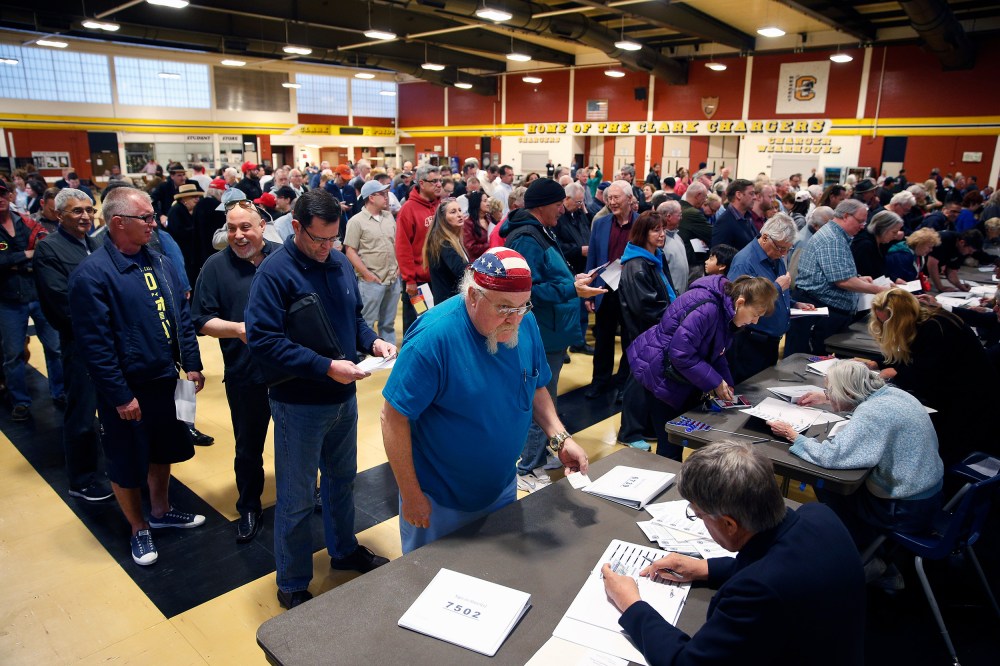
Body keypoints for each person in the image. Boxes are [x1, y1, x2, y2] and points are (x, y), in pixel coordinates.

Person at [381, 249, 590, 552]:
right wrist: (411, 494)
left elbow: (535, 386)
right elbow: (392, 417)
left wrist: (560, 438)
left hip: (501, 487)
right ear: (473, 296)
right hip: (439, 499)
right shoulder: (433, 338)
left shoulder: (525, 322)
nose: (514, 319)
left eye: (523, 306)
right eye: (504, 307)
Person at [245, 189, 394, 610]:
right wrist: (325, 366)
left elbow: (353, 318)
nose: (327, 247)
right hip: (299, 403)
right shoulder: (275, 273)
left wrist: (373, 341)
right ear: (296, 227)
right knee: (296, 497)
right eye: (319, 239)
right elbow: (263, 340)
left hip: (343, 397)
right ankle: (292, 581)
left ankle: (343, 550)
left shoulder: (339, 263)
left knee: (342, 481)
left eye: (334, 239)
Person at [601, 441, 865, 666]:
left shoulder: (756, 593)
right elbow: (785, 563)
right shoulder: (819, 515)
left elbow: (686, 662)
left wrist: (631, 604)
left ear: (729, 524)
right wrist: (705, 568)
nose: (701, 521)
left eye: (699, 516)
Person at [68, 186, 206, 566]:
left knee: (164, 450)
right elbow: (94, 346)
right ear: (118, 223)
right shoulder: (92, 275)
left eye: (152, 215)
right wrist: (119, 395)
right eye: (144, 217)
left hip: (165, 379)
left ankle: (160, 511)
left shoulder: (159, 261)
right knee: (127, 461)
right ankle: (138, 527)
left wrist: (192, 362)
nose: (153, 223)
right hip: (128, 389)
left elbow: (180, 316)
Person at [768, 360, 944, 574]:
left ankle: (863, 557)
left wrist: (793, 436)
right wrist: (826, 398)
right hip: (927, 495)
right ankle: (866, 547)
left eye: (830, 391)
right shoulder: (894, 394)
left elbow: (832, 456)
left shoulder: (872, 413)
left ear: (848, 392)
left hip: (905, 509)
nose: (828, 395)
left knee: (827, 483)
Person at [503, 178, 606, 490]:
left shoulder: (541, 231)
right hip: (541, 333)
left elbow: (548, 275)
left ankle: (543, 454)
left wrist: (573, 279)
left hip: (552, 331)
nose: (563, 210)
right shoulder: (526, 238)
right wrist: (570, 288)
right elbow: (526, 289)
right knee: (541, 399)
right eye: (559, 204)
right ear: (543, 206)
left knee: (548, 397)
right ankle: (527, 468)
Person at [191, 201, 280, 544]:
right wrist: (238, 329)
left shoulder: (282, 258)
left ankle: (305, 493)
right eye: (231, 228)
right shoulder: (215, 267)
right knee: (248, 448)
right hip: (246, 375)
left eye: (245, 227)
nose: (238, 235)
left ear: (262, 226)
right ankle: (249, 506)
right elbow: (201, 319)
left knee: (297, 441)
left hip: (290, 372)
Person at [628, 275, 778, 460]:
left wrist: (726, 382)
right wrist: (715, 382)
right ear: (740, 302)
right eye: (755, 315)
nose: (755, 321)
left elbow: (717, 351)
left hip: (676, 374)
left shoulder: (725, 311)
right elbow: (681, 354)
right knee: (670, 444)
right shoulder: (708, 308)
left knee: (679, 441)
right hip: (660, 375)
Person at [32, 188, 112, 502]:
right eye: (77, 211)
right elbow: (61, 302)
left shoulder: (96, 244)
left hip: (108, 341)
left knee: (111, 409)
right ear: (59, 214)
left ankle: (111, 469)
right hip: (80, 343)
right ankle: (82, 480)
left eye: (89, 210)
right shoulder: (49, 249)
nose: (85, 216)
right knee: (82, 414)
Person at [868, 289, 997, 466]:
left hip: (969, 406)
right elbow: (912, 356)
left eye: (887, 322)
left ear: (899, 318)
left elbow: (923, 372)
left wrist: (893, 373)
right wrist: (877, 363)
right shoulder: (925, 321)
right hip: (957, 398)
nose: (884, 326)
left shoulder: (936, 328)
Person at [784, 199, 890, 356]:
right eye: (860, 221)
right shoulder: (832, 239)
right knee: (808, 359)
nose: (863, 226)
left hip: (823, 309)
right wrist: (880, 290)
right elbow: (842, 281)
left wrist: (858, 279)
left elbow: (835, 272)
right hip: (818, 311)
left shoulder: (837, 235)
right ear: (846, 216)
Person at [0, 180, 65, 422]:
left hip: (37, 294)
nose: (0, 199)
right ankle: (20, 401)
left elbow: (43, 251)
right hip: (8, 299)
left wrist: (14, 261)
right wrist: (25, 255)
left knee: (55, 348)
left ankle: (60, 391)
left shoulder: (26, 222)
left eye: (3, 193)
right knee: (13, 354)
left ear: (10, 195)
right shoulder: (28, 222)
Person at [726, 215, 816, 383]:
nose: (783, 254)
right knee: (750, 389)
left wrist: (794, 304)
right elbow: (738, 303)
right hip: (750, 342)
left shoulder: (775, 257)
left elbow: (777, 296)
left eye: (787, 249)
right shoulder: (744, 261)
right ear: (765, 237)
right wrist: (777, 287)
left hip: (770, 342)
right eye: (781, 248)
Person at [617, 210, 676, 450]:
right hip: (644, 332)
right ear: (643, 233)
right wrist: (674, 318)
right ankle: (630, 433)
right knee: (638, 382)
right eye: (655, 230)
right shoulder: (637, 265)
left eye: (663, 229)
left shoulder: (654, 258)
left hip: (657, 330)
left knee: (650, 381)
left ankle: (646, 426)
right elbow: (645, 307)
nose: (662, 234)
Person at [584, 180, 637, 400]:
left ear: (629, 199)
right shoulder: (600, 223)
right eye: (609, 198)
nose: (612, 202)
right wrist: (588, 289)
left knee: (630, 340)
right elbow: (593, 257)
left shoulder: (641, 223)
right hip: (605, 288)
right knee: (603, 340)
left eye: (616, 198)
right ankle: (600, 382)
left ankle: (625, 384)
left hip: (632, 291)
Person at [343, 180, 401, 346]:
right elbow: (350, 251)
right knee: (367, 322)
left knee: (388, 323)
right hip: (371, 281)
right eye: (382, 194)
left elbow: (396, 243)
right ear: (371, 197)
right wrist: (367, 274)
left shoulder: (388, 217)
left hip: (392, 278)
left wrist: (398, 267)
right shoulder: (356, 221)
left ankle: (388, 352)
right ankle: (364, 352)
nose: (387, 197)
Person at [395, 164, 441, 336]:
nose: (439, 184)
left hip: (438, 280)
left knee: (435, 325)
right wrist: (410, 280)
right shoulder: (408, 209)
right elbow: (403, 247)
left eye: (440, 181)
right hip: (418, 283)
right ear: (421, 183)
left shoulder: (440, 206)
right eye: (434, 181)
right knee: (416, 324)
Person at [424, 197, 469, 305]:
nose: (459, 215)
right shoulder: (443, 243)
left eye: (459, 210)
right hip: (448, 303)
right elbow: (461, 271)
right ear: (443, 219)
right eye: (453, 212)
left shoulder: (454, 239)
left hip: (454, 301)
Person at [926, 229, 998, 292]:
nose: (970, 253)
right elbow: (931, 264)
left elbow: (951, 271)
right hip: (922, 264)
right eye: (970, 250)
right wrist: (940, 287)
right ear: (962, 243)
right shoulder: (944, 239)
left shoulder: (962, 250)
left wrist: (960, 286)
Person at [851, 209, 904, 280]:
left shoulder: (881, 242)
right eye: (894, 232)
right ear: (883, 229)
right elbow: (868, 274)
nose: (895, 236)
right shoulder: (864, 245)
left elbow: (881, 271)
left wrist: (894, 279)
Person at [677, 182, 711, 283]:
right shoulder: (693, 213)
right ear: (698, 195)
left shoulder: (678, 207)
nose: (705, 200)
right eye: (705, 197)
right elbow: (711, 234)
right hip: (692, 263)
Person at [711, 179, 757, 252]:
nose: (755, 197)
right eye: (751, 194)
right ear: (738, 195)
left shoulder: (747, 217)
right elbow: (718, 254)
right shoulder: (724, 222)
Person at [462, 190, 493, 261]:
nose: (488, 204)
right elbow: (470, 247)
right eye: (485, 201)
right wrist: (491, 245)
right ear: (477, 203)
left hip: (491, 258)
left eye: (488, 201)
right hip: (478, 262)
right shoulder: (468, 223)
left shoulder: (490, 218)